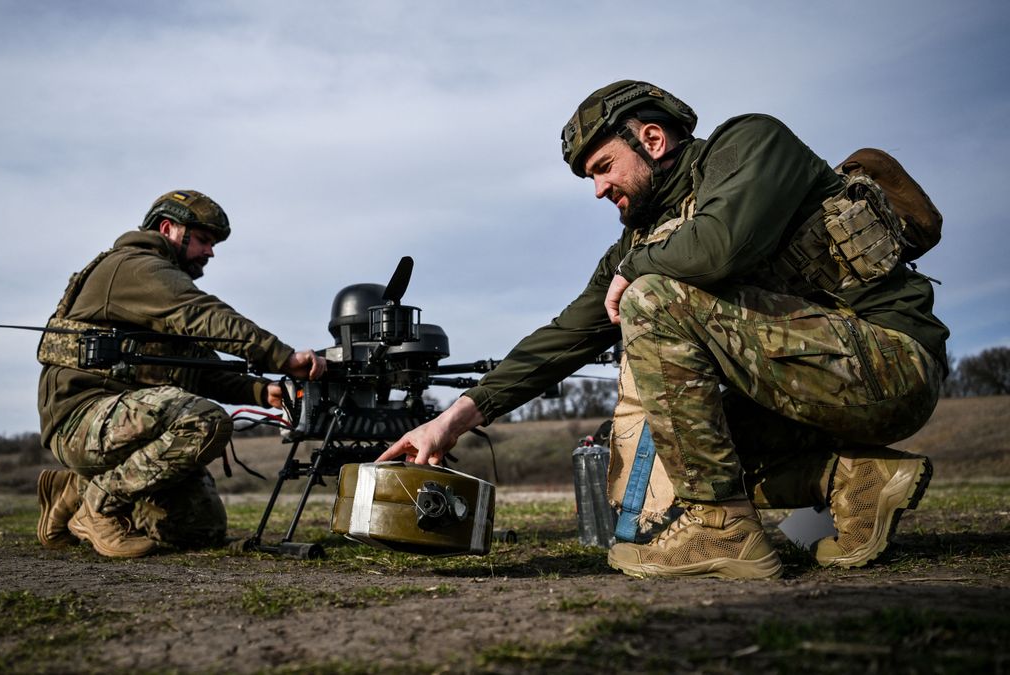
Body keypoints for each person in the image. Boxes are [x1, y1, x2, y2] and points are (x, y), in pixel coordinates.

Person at [378, 81, 948, 579]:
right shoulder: (638, 244)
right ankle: (853, 482)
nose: (599, 189)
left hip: (890, 364)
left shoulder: (752, 144)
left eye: (604, 167)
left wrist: (635, 271)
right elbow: (561, 339)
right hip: (801, 391)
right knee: (669, 447)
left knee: (651, 299)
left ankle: (719, 528)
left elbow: (721, 244)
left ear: (651, 140)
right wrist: (450, 422)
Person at [34, 189, 326, 558]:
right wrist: (283, 358)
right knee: (205, 421)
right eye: (203, 239)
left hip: (124, 424)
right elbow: (204, 316)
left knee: (198, 529)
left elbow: (200, 369)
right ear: (168, 229)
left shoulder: (158, 288)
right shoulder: (136, 267)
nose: (210, 252)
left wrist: (260, 391)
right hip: (82, 420)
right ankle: (97, 506)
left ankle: (71, 492)